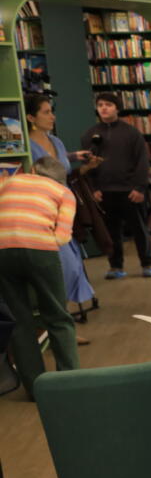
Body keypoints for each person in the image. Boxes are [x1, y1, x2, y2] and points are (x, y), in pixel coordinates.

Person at [0, 157, 80, 400]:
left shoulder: (9, 182)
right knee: (58, 317)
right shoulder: (64, 193)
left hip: (2, 250)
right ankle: (69, 385)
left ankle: (36, 389)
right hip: (41, 250)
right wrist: (41, 242)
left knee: (19, 321)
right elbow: (63, 237)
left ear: (33, 170)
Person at [25, 94, 102, 323]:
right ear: (31, 117)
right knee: (60, 266)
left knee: (71, 266)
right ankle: (58, 323)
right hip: (42, 213)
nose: (52, 117)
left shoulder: (57, 143)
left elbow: (66, 174)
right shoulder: (26, 147)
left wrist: (87, 167)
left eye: (52, 111)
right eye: (46, 112)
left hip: (65, 212)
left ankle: (62, 322)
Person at [81, 92, 151, 279]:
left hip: (130, 191)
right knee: (111, 232)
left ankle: (147, 264)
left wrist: (139, 188)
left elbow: (142, 162)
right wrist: (94, 189)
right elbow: (87, 165)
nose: (104, 108)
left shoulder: (131, 133)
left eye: (108, 105)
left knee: (139, 230)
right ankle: (116, 266)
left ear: (117, 108)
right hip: (104, 192)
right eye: (100, 105)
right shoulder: (90, 134)